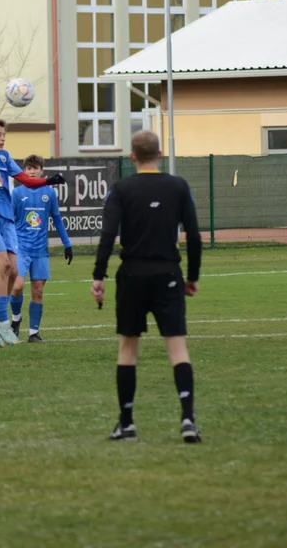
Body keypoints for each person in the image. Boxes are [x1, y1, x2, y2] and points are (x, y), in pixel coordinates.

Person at [91, 130, 202, 444]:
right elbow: (193, 235)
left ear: (132, 157)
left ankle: (126, 424)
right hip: (168, 273)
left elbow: (107, 235)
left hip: (132, 275)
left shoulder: (121, 189)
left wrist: (98, 276)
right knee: (177, 348)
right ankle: (188, 420)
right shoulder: (178, 186)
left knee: (128, 349)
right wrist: (192, 277)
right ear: (160, 154)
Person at [0, 118, 65, 347]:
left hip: (6, 216)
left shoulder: (5, 157)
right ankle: (3, 323)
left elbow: (26, 180)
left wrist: (48, 180)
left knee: (15, 270)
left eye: (3, 135)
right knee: (4, 265)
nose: (2, 138)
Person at [9, 154, 72, 342]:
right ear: (24, 171)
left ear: (42, 170)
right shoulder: (17, 193)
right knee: (17, 286)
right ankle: (16, 320)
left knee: (38, 291)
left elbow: (57, 219)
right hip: (21, 248)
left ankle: (33, 333)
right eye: (28, 168)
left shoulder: (49, 193)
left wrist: (67, 244)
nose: (32, 171)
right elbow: (8, 221)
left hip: (40, 251)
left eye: (35, 168)